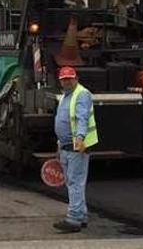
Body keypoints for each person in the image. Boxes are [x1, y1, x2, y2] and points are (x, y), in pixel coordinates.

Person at [53, 66, 99, 233]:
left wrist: (79, 138)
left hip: (76, 147)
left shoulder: (81, 94)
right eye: (64, 79)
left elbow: (82, 118)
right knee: (73, 181)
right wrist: (60, 143)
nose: (66, 82)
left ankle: (74, 219)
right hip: (66, 146)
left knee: (75, 182)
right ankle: (81, 215)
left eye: (69, 79)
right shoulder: (66, 96)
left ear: (76, 78)